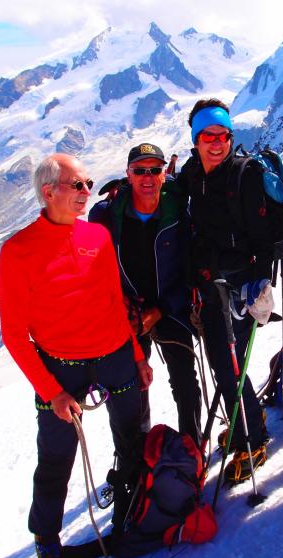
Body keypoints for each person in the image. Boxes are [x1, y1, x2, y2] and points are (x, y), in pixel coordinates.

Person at [0, 153, 152, 558]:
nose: (87, 192)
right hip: (61, 369)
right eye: (77, 185)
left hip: (115, 354)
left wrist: (137, 356)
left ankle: (133, 507)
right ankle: (47, 537)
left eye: (88, 183)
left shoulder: (97, 236)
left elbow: (115, 303)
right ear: (49, 192)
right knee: (56, 457)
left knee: (133, 437)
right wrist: (52, 392)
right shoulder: (18, 251)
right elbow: (14, 334)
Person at [176, 98, 277, 484]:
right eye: (209, 136)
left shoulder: (243, 175)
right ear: (195, 140)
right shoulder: (191, 175)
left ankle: (254, 438)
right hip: (208, 287)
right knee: (223, 363)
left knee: (228, 365)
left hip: (240, 288)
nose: (218, 143)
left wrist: (260, 283)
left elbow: (264, 239)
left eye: (224, 136)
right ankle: (243, 422)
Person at [89, 143, 203, 446]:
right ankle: (134, 456)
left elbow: (190, 269)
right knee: (131, 387)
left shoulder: (179, 211)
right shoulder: (106, 215)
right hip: (127, 312)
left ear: (164, 174)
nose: (148, 177)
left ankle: (192, 450)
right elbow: (96, 268)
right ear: (128, 175)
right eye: (140, 171)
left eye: (155, 170)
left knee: (184, 381)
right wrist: (118, 302)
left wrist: (161, 309)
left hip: (171, 307)